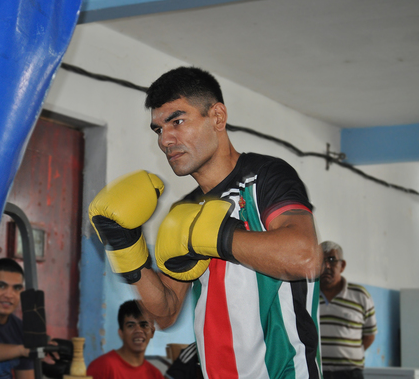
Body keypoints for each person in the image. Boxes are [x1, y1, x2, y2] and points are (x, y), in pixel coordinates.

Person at [88, 67, 324, 378]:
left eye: (177, 121)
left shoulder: (265, 177)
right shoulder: (186, 209)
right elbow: (167, 312)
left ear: (217, 117)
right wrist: (129, 254)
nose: (165, 140)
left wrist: (219, 236)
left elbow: (304, 256)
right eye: (158, 129)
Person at [319, 241, 377, 379]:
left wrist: (348, 354)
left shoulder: (360, 295)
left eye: (332, 260)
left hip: (350, 373)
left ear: (342, 265)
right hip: (317, 372)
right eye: (321, 260)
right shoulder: (308, 296)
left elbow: (369, 336)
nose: (326, 265)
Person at [86, 300, 164, 379]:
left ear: (152, 332)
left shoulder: (155, 375)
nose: (138, 330)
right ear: (121, 333)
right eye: (130, 325)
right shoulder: (101, 367)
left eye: (144, 325)